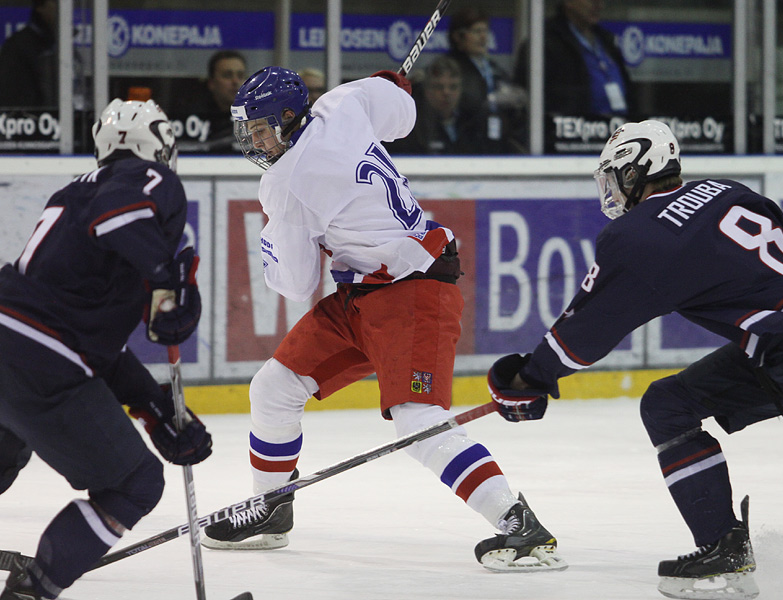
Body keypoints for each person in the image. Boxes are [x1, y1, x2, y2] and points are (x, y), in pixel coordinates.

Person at [486, 120, 783, 598]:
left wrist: (529, 377)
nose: (611, 191)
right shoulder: (725, 190)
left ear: (635, 172)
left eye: (614, 177)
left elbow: (583, 332)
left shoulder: (641, 234)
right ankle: (724, 551)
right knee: (668, 404)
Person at [199, 65, 566, 572]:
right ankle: (271, 508)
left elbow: (294, 283)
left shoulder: (287, 182)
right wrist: (390, 86)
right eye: (249, 131)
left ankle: (518, 523)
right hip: (366, 293)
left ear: (288, 118)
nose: (255, 142)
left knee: (418, 421)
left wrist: (271, 241)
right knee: (273, 388)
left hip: (413, 293)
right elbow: (404, 112)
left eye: (260, 130)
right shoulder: (342, 103)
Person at [0, 99, 210, 600]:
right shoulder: (148, 182)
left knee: (8, 448)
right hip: (40, 358)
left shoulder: (74, 194)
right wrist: (165, 276)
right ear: (159, 145)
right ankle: (31, 592)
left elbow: (92, 343)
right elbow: (121, 216)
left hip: (15, 341)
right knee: (136, 483)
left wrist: (154, 406)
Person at [514, 0, 632, 118]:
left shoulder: (607, 40)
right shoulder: (544, 43)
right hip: (573, 130)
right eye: (592, 1)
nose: (599, 5)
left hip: (617, 127)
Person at [388, 56, 509, 155]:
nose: (446, 93)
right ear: (426, 91)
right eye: (438, 87)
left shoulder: (473, 121)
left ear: (461, 89)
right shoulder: (411, 126)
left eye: (453, 87)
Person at [446, 6, 526, 152]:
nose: (483, 37)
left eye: (485, 31)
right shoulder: (450, 68)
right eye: (477, 32)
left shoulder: (493, 68)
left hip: (496, 142)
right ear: (458, 37)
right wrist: (490, 101)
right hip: (465, 145)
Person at [172, 50, 247, 154]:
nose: (235, 81)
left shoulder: (255, 115)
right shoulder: (193, 116)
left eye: (240, 75)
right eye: (227, 75)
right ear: (211, 83)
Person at [0, 0, 58, 108]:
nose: (58, 8)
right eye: (54, 2)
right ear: (40, 8)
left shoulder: (55, 42)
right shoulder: (18, 45)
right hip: (26, 119)